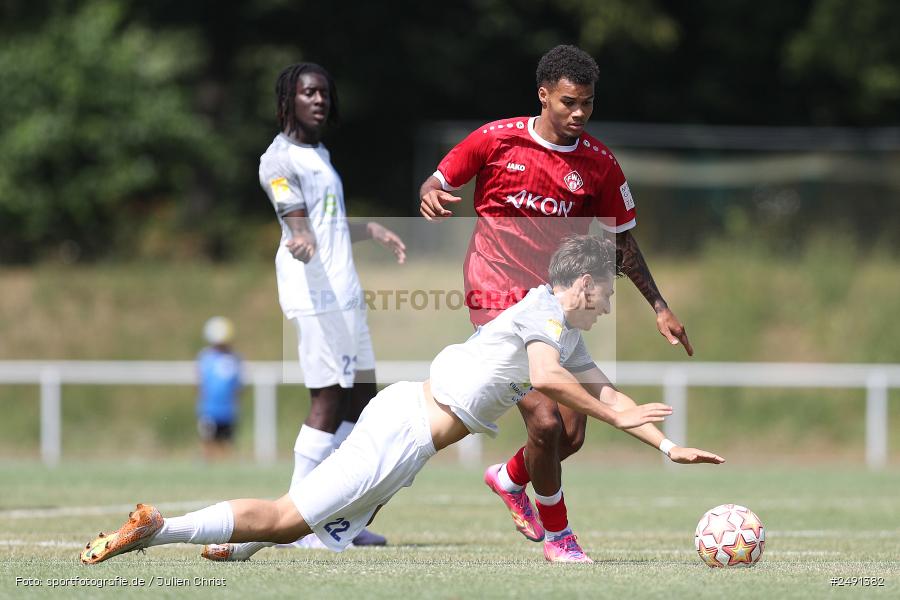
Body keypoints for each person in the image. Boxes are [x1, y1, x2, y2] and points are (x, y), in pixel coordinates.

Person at [79, 235, 723, 566]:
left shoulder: (555, 324)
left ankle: (232, 543)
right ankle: (162, 529)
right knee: (288, 520)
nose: (610, 304)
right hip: (407, 432)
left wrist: (667, 445)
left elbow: (604, 389)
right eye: (607, 293)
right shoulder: (542, 319)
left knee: (323, 525)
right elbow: (552, 381)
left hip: (406, 425)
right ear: (583, 284)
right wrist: (612, 414)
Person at [419, 45, 694, 562]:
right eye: (569, 102)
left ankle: (510, 476)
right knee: (545, 419)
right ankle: (560, 538)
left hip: (555, 299)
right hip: (495, 292)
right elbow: (438, 179)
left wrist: (658, 305)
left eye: (587, 104)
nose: (579, 114)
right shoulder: (495, 140)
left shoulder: (599, 165)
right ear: (543, 95)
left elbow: (621, 241)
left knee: (570, 432)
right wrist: (429, 191)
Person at [256, 62, 406, 550]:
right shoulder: (278, 160)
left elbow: (326, 220)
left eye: (323, 92)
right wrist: (298, 236)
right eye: (308, 92)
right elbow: (294, 215)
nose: (319, 99)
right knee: (327, 399)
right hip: (314, 295)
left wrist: (369, 230)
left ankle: (338, 515)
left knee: (363, 400)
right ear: (289, 100)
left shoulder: (319, 153)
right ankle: (295, 523)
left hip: (344, 294)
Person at [196, 317, 242, 462]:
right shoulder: (205, 357)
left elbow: (238, 385)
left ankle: (226, 469)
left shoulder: (235, 358)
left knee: (227, 443)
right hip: (209, 409)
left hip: (228, 410)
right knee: (208, 441)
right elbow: (200, 383)